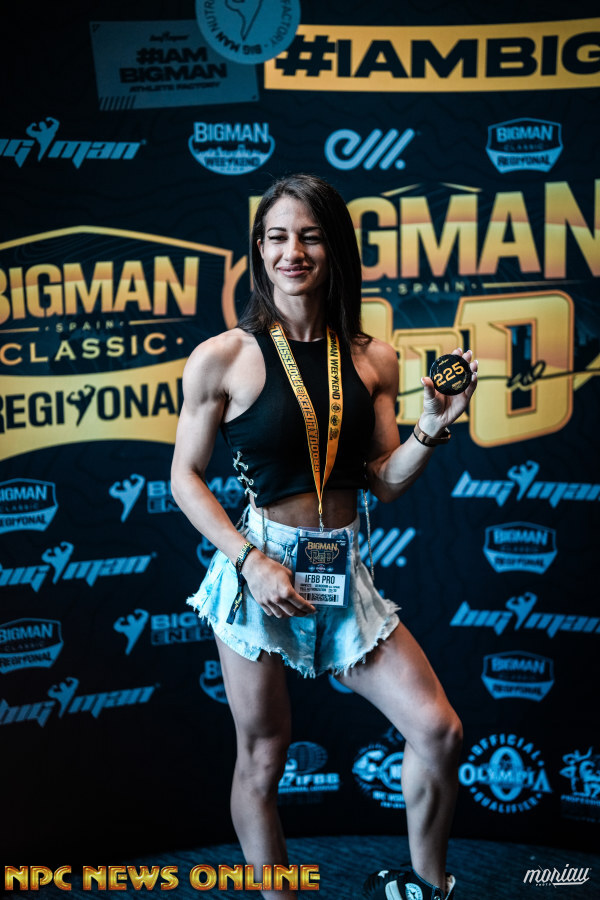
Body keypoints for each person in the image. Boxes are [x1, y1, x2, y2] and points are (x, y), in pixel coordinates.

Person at [171, 173, 478, 900]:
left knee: (438, 731)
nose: (293, 252)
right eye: (277, 237)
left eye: (309, 236)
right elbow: (184, 477)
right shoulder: (224, 356)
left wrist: (433, 428)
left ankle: (426, 888)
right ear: (259, 249)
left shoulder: (373, 358)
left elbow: (382, 481)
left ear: (334, 248)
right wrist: (248, 561)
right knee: (263, 757)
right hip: (259, 573)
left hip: (343, 570)